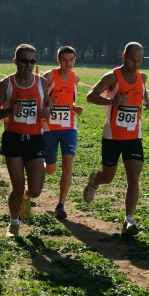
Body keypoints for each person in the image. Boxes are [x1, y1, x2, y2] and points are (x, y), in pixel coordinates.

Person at [84, 42, 149, 236]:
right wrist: (112, 101)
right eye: (133, 59)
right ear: (124, 56)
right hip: (112, 136)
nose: (136, 64)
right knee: (108, 177)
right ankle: (94, 181)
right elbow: (91, 96)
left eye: (140, 60)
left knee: (133, 176)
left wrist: (147, 102)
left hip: (133, 135)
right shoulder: (112, 77)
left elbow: (142, 89)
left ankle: (129, 220)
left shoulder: (142, 77)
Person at [0, 44, 51, 238]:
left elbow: (48, 102)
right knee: (17, 186)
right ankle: (14, 223)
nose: (29, 65)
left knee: (36, 189)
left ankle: (26, 198)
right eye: (25, 61)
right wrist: (8, 111)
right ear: (15, 61)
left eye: (33, 61)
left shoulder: (41, 83)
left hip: (35, 139)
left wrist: (48, 110)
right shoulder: (6, 84)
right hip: (13, 139)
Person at [42, 46, 84, 219]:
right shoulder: (49, 76)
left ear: (75, 60)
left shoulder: (75, 78)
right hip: (50, 128)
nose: (68, 63)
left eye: (71, 60)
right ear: (58, 59)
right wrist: (48, 104)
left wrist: (74, 107)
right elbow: (39, 99)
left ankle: (61, 205)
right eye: (65, 60)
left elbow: (68, 100)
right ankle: (39, 167)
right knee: (50, 169)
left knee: (68, 163)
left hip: (69, 127)